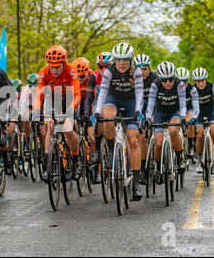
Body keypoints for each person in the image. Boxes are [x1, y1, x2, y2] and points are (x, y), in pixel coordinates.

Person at [94, 42, 144, 201]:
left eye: (125, 60)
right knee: (107, 117)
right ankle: (110, 150)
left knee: (133, 140)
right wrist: (97, 111)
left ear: (130, 60)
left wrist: (138, 111)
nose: (121, 63)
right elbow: (102, 93)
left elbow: (140, 93)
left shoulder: (136, 71)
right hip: (113, 99)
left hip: (131, 102)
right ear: (114, 60)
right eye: (118, 60)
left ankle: (136, 184)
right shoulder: (109, 71)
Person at [33, 45, 82, 181]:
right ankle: (48, 165)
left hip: (70, 99)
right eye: (52, 66)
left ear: (64, 63)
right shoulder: (44, 71)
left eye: (57, 67)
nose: (54, 70)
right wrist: (37, 110)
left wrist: (70, 110)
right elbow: (39, 95)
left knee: (67, 128)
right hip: (53, 98)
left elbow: (77, 94)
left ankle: (76, 159)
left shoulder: (71, 70)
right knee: (50, 127)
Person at [145, 62, 187, 181]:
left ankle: (179, 159)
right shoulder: (155, 84)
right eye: (164, 80)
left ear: (174, 77)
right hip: (160, 112)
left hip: (175, 111)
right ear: (160, 79)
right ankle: (158, 168)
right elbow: (150, 105)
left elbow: (183, 104)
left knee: (173, 131)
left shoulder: (179, 84)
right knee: (158, 143)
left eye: (170, 79)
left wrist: (183, 117)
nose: (167, 83)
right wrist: (148, 117)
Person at [84, 51, 114, 184]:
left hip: (114, 102)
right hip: (98, 102)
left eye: (107, 66)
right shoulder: (94, 77)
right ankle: (97, 153)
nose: (103, 69)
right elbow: (89, 98)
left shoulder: (117, 76)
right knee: (96, 122)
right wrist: (87, 113)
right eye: (100, 66)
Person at [133, 54, 158, 184]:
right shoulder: (133, 78)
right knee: (142, 137)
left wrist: (153, 116)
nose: (142, 72)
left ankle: (159, 160)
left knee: (156, 132)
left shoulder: (155, 79)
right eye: (139, 69)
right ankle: (143, 168)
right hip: (140, 107)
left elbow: (159, 100)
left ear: (149, 68)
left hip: (154, 107)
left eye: (145, 69)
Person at [192, 67, 214, 174]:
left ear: (206, 79)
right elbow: (192, 106)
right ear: (195, 81)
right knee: (199, 134)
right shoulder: (193, 89)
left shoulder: (213, 87)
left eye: (202, 81)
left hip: (211, 110)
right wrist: (193, 117)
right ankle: (199, 161)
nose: (200, 83)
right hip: (199, 111)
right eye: (198, 81)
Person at [176, 67, 199, 160]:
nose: (182, 84)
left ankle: (191, 146)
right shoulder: (173, 88)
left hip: (189, 109)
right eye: (180, 81)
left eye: (184, 81)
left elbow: (196, 105)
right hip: (178, 110)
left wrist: (195, 116)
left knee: (189, 122)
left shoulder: (192, 89)